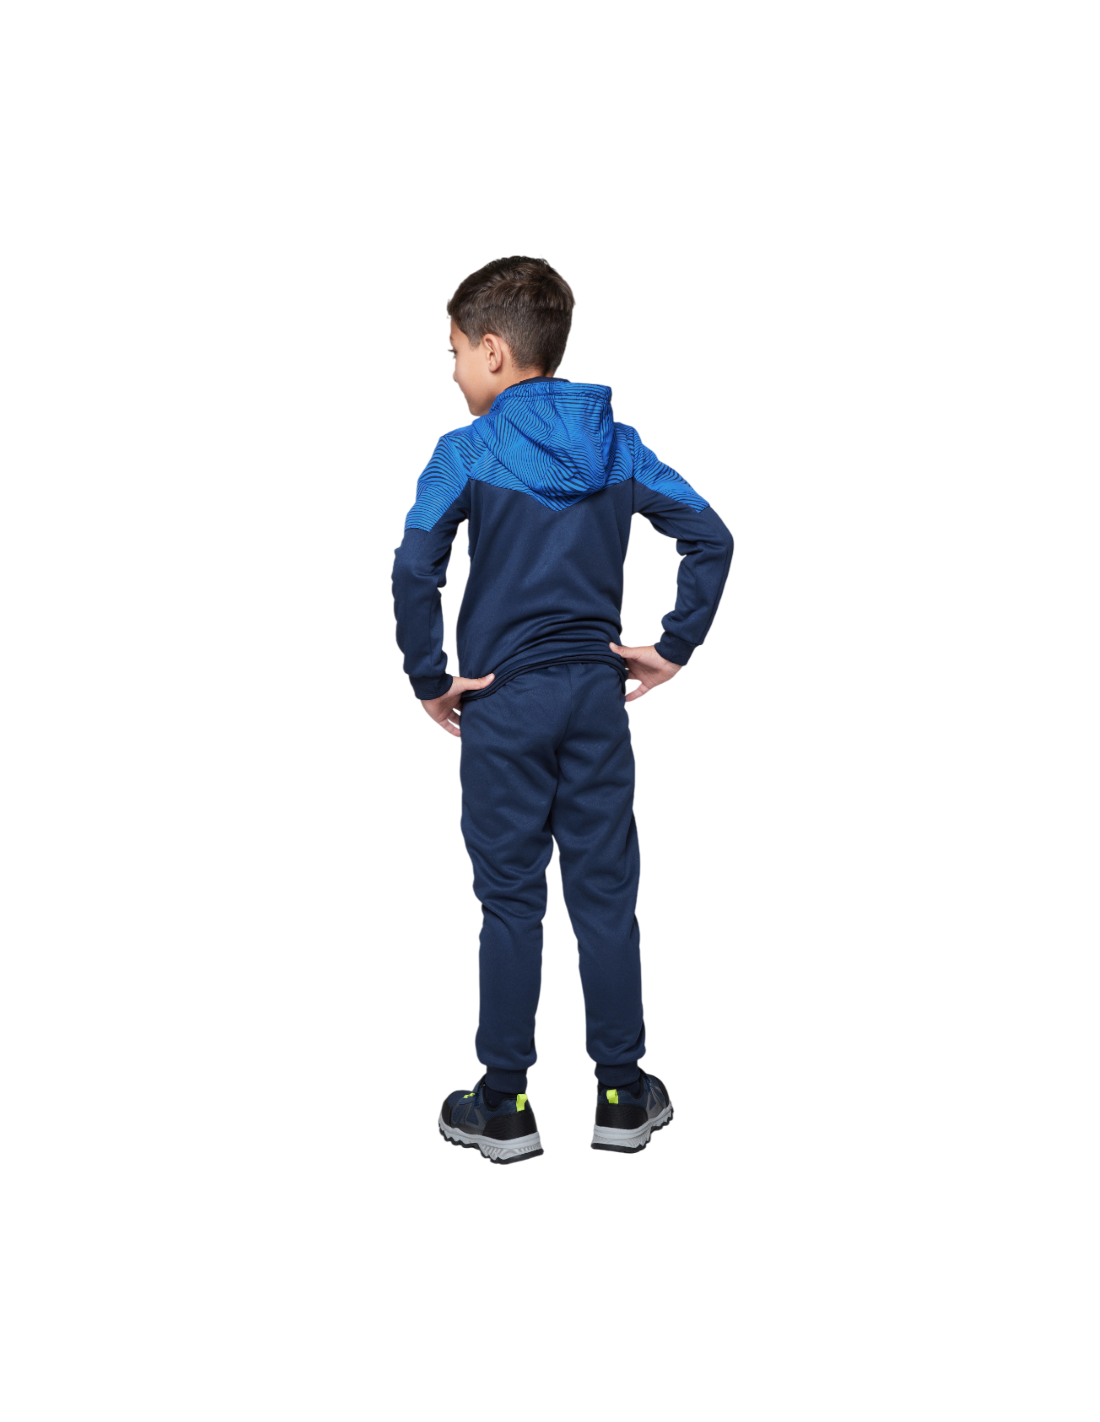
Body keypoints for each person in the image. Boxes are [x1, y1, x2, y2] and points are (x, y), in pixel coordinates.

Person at [391, 256, 734, 1163]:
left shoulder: (465, 453)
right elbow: (709, 535)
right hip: (594, 700)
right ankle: (622, 1094)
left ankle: (503, 1104)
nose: (452, 370)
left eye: (454, 351)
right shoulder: (617, 447)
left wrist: (430, 676)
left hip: (502, 706)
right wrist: (674, 645)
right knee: (606, 896)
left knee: (511, 902)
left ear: (493, 351)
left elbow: (415, 563)